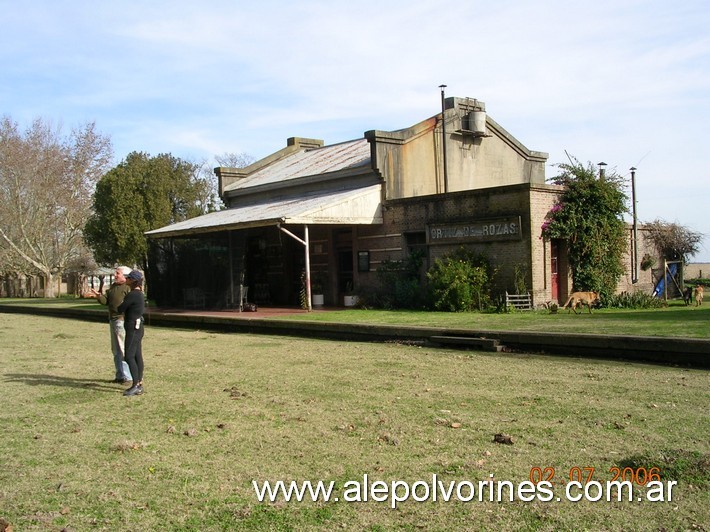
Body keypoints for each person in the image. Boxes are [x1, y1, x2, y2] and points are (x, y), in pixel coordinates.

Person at [87, 266, 133, 384]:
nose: (115, 275)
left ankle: (128, 377)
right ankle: (120, 375)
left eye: (117, 273)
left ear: (125, 276)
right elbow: (105, 301)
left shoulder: (128, 287)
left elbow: (133, 305)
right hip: (112, 320)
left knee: (122, 349)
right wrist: (98, 296)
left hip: (121, 321)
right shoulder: (113, 287)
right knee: (116, 350)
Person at [118, 270, 146, 397]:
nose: (126, 279)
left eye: (128, 278)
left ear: (133, 281)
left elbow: (120, 308)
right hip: (138, 327)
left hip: (133, 327)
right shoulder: (140, 294)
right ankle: (139, 382)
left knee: (129, 356)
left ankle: (135, 385)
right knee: (137, 355)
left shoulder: (133, 295)